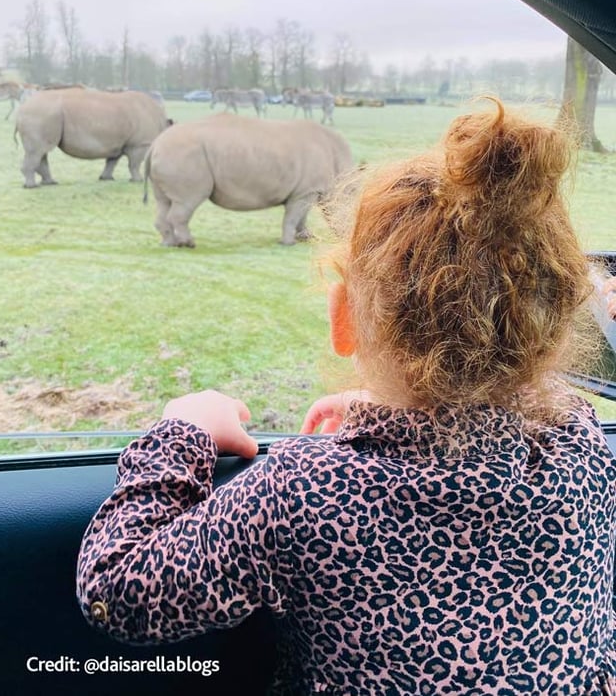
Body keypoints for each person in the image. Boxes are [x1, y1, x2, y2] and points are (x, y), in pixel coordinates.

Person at [77, 99, 616, 695]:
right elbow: (504, 415)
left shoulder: (302, 489)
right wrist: (382, 411)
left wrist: (181, 433)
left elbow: (118, 593)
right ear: (560, 325)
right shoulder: (587, 454)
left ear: (344, 321)